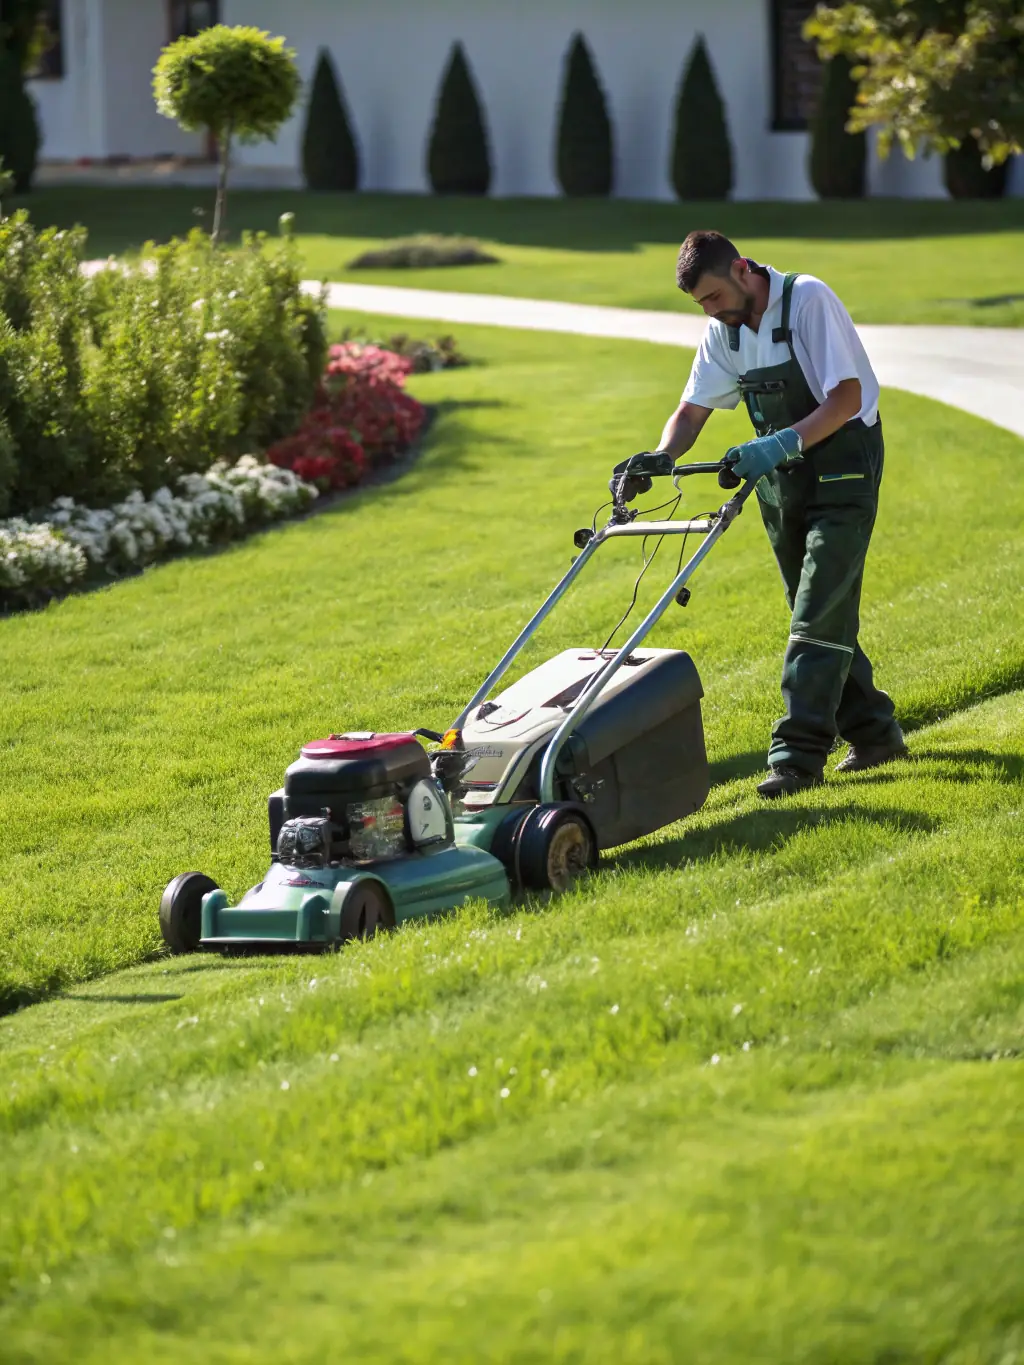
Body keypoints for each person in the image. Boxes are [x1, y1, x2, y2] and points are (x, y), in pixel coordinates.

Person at [657, 230, 906, 799]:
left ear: (742, 269)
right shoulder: (723, 329)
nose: (710, 310)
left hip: (843, 470)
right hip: (783, 486)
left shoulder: (807, 300)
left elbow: (846, 398)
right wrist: (661, 456)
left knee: (816, 613)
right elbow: (691, 410)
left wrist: (780, 443)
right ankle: (875, 734)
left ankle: (797, 756)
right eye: (700, 303)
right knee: (815, 609)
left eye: (714, 296)